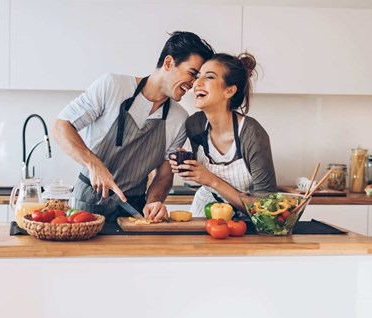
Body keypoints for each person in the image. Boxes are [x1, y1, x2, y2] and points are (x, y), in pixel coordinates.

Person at [53, 31, 214, 222]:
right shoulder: (112, 86)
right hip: (89, 204)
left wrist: (153, 202)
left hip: (134, 209)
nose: (195, 84)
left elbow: (164, 174)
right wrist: (93, 164)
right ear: (169, 63)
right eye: (192, 74)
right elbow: (61, 126)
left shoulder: (179, 119)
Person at [170, 52, 277, 217]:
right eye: (198, 76)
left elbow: (266, 209)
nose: (197, 83)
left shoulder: (252, 135)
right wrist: (187, 164)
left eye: (210, 77)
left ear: (229, 91)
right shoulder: (195, 124)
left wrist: (211, 179)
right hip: (204, 212)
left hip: (247, 221)